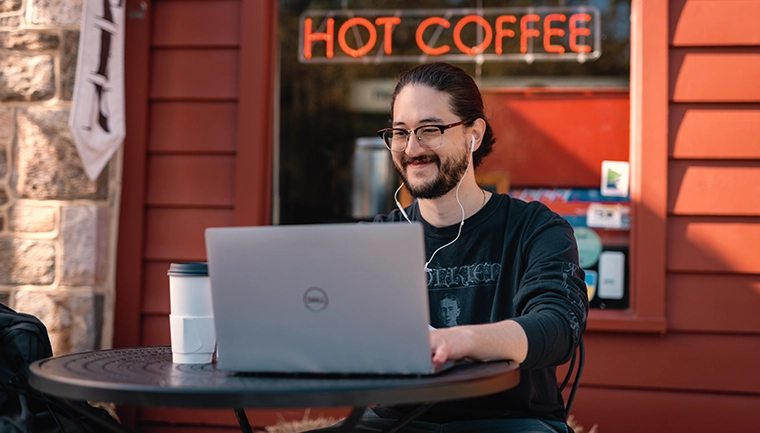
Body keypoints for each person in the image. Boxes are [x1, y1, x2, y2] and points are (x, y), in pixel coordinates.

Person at [309, 62, 588, 433]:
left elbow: (557, 326)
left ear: (473, 135)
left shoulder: (536, 229)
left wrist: (461, 340)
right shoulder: (373, 241)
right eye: (400, 132)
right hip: (393, 423)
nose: (411, 148)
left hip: (509, 423)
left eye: (429, 130)